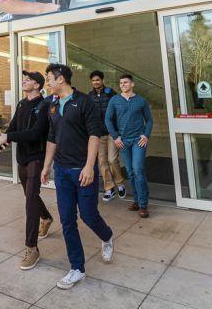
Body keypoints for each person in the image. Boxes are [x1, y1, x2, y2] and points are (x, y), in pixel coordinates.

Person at [40, 63, 114, 290]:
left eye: (49, 78)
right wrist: (46, 167)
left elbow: (94, 135)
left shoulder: (84, 102)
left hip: (82, 170)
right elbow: (52, 138)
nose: (48, 83)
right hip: (62, 171)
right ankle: (77, 268)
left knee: (89, 215)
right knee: (67, 220)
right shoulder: (52, 106)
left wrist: (90, 167)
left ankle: (107, 236)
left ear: (61, 79)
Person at [0, 71, 53, 271]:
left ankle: (32, 248)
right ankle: (47, 217)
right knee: (30, 195)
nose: (23, 81)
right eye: (24, 78)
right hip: (22, 157)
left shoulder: (44, 106)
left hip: (37, 157)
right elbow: (13, 128)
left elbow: (35, 133)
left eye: (27, 79)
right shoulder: (21, 103)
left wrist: (7, 138)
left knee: (30, 201)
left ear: (37, 85)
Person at [105, 74, 153, 218]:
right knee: (131, 172)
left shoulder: (141, 101)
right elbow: (108, 119)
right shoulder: (114, 100)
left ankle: (143, 204)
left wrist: (146, 135)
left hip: (138, 140)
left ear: (132, 84)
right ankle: (137, 201)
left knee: (138, 169)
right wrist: (115, 137)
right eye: (121, 83)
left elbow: (149, 120)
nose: (123, 85)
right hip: (123, 141)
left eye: (125, 82)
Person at [88, 71, 126, 202]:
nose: (96, 82)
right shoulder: (89, 96)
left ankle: (120, 183)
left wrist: (118, 131)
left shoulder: (111, 93)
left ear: (102, 80)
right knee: (102, 162)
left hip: (112, 132)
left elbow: (118, 111)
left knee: (112, 159)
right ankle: (109, 188)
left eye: (98, 80)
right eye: (93, 81)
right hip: (98, 134)